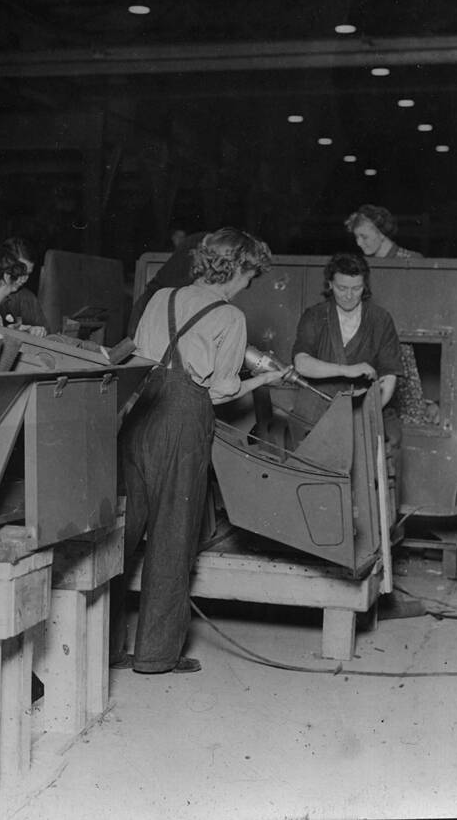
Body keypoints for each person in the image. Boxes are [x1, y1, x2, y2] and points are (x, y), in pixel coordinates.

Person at [116, 228, 283, 675]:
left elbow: (141, 359)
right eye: (251, 276)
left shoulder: (160, 298)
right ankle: (155, 655)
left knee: (123, 532)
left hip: (138, 417)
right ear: (239, 268)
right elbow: (217, 392)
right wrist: (264, 380)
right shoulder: (230, 318)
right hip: (183, 423)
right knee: (173, 536)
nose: (249, 285)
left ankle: (107, 646)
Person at [291, 253, 402, 489]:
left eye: (357, 288)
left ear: (365, 286)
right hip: (317, 411)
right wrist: (347, 370)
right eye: (342, 288)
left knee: (365, 483)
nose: (349, 295)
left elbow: (389, 376)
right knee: (313, 481)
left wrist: (366, 412)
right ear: (330, 284)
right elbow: (301, 363)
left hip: (362, 410)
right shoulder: (315, 316)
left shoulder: (380, 319)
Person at [344, 204, 431, 425]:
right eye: (356, 238)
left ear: (381, 232)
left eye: (364, 236)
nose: (359, 243)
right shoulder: (361, 267)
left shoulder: (412, 261)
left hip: (402, 350)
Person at [0, 237, 48, 332]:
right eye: (20, 272)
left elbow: (47, 335)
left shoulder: (27, 299)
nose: (24, 279)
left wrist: (37, 332)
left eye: (28, 274)